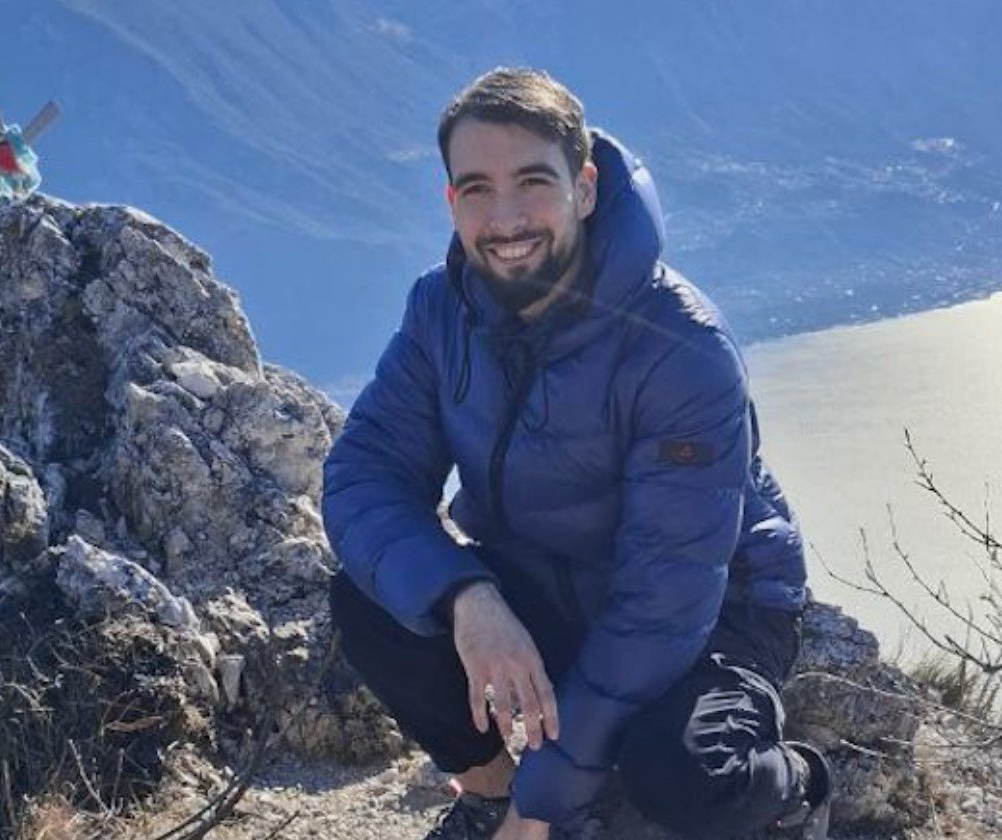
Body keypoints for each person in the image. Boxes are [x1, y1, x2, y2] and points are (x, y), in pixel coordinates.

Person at [322, 68, 831, 840]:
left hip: (716, 608)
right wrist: (469, 599)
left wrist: (545, 803)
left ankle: (801, 790)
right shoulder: (441, 309)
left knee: (684, 777)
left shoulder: (679, 345)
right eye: (477, 189)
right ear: (451, 200)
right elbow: (365, 475)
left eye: (533, 181)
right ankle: (488, 795)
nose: (506, 218)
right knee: (373, 599)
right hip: (543, 577)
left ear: (584, 188)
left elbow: (666, 600)